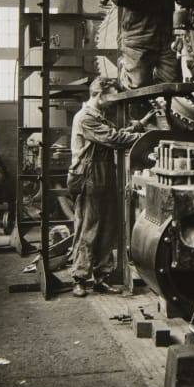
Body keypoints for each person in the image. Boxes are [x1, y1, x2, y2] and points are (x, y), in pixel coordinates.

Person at [66, 77, 146, 297]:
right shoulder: (85, 118)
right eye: (111, 96)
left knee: (107, 228)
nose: (113, 101)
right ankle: (79, 278)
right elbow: (112, 137)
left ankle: (101, 277)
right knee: (88, 227)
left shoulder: (99, 116)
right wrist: (145, 137)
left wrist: (139, 124)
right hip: (88, 175)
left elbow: (115, 132)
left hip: (105, 173)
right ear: (100, 95)